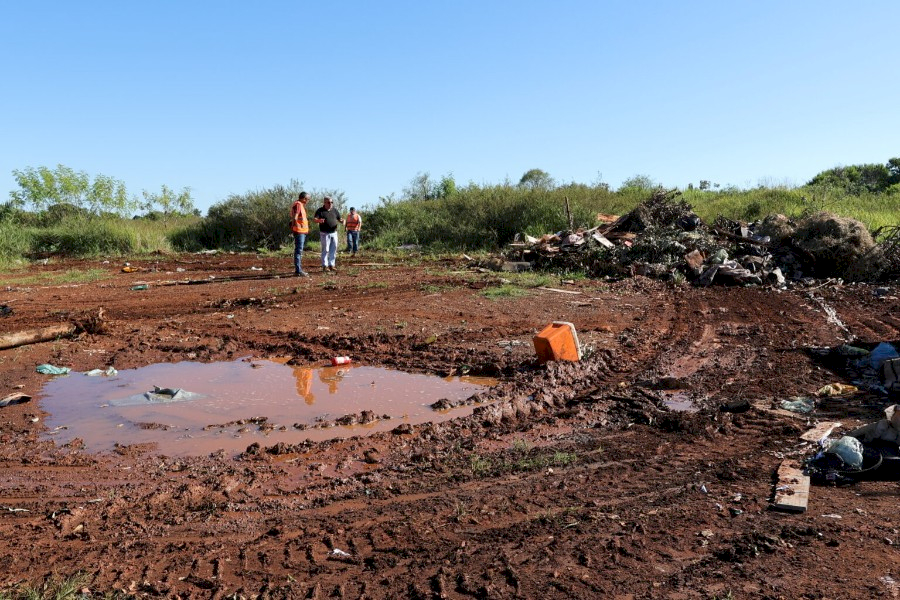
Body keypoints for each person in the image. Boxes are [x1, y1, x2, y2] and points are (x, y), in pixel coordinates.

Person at [313, 196, 343, 272]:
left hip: (334, 232)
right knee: (325, 250)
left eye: (332, 202)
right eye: (329, 202)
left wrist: (342, 221)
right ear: (325, 203)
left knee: (333, 249)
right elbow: (315, 219)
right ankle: (325, 266)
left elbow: (339, 218)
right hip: (324, 233)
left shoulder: (334, 210)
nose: (330, 204)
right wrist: (319, 220)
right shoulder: (320, 210)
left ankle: (331, 265)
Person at [290, 192, 310, 277]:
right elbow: (295, 217)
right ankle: (298, 271)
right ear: (304, 199)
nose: (308, 201)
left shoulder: (299, 205)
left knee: (299, 250)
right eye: (308, 199)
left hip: (301, 231)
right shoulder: (298, 205)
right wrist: (294, 227)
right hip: (299, 231)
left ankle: (298, 270)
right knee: (298, 251)